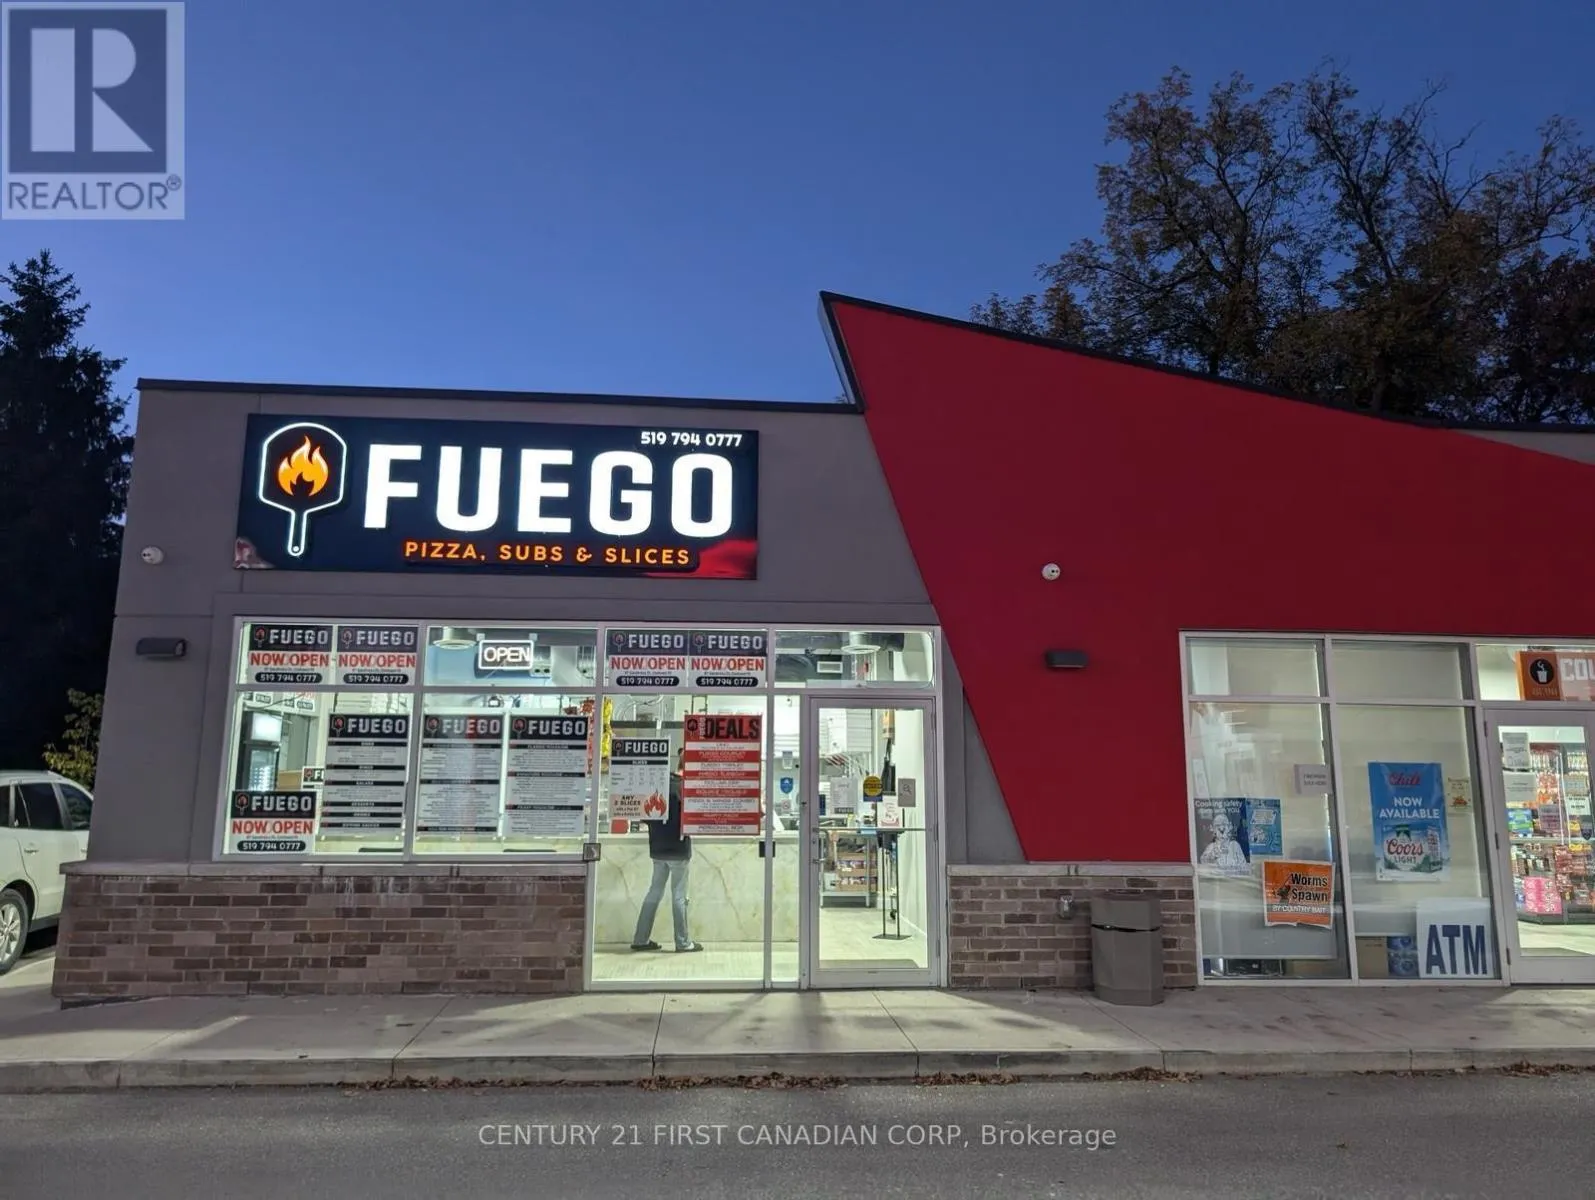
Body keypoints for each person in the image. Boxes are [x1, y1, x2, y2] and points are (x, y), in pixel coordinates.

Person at [631, 746, 703, 953]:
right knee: (679, 895)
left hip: (657, 847)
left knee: (654, 892)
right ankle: (683, 942)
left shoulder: (660, 784)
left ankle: (640, 939)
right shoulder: (687, 787)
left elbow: (645, 815)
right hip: (678, 849)